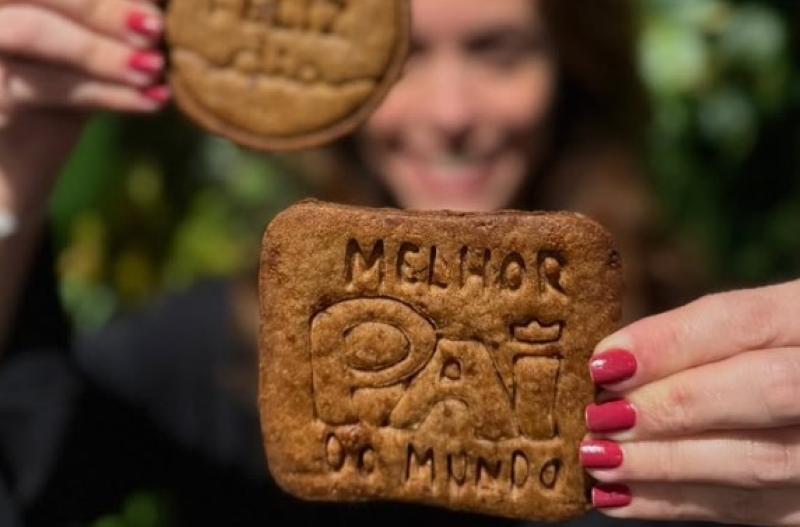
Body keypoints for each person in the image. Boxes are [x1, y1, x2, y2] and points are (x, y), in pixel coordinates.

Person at [1, 0, 795, 526]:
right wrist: (16, 176)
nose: (450, 113)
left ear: (571, 71)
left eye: (498, 51)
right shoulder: (218, 348)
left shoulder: (703, 352)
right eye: (405, 58)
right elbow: (26, 467)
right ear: (331, 84)